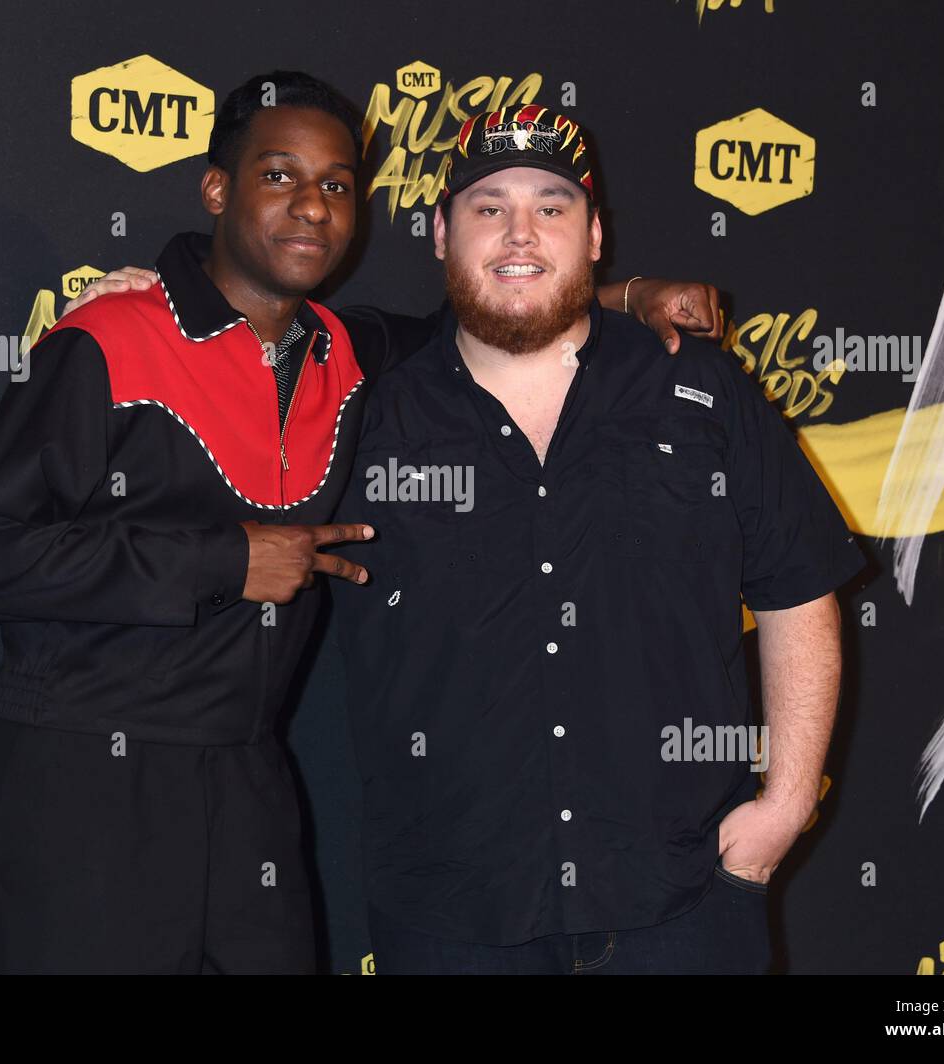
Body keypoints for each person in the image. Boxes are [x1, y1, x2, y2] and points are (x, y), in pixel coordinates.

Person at [0, 73, 721, 974]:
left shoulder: (346, 351)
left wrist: (629, 295)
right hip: (78, 782)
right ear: (217, 189)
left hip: (249, 786)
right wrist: (224, 561)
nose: (312, 206)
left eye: (338, 185)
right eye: (279, 176)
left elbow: (481, 313)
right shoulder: (110, 341)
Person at [329, 107, 867, 974]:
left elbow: (797, 588)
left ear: (595, 236)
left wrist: (788, 804)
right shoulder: (362, 407)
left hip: (683, 901)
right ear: (439, 233)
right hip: (450, 913)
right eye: (487, 206)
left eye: (551, 207)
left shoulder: (696, 384)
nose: (519, 232)